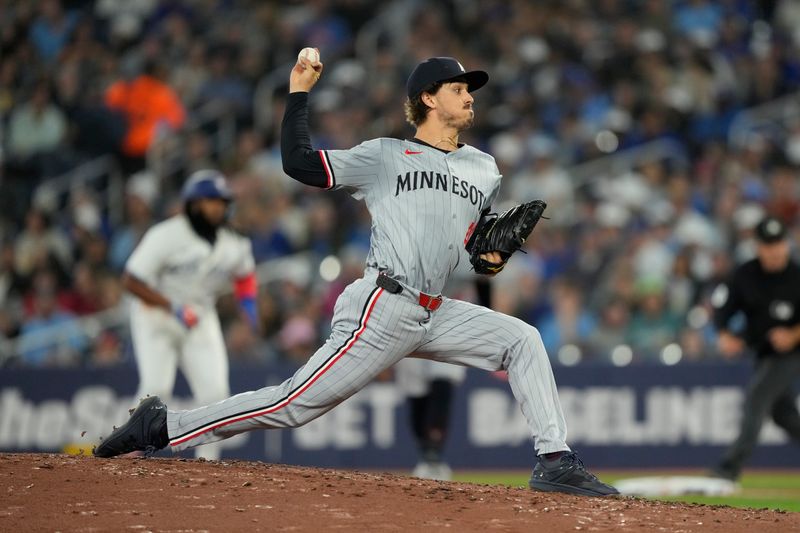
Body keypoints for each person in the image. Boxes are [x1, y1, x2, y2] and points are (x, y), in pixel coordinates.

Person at [94, 53, 617, 497]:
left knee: (523, 339)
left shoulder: (485, 169)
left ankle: (554, 460)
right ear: (429, 99)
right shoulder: (385, 156)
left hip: (437, 309)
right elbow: (299, 163)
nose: (469, 97)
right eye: (458, 88)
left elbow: (474, 255)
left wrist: (492, 260)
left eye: (469, 90)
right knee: (292, 405)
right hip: (383, 305)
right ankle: (161, 426)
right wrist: (298, 91)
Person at [120, 169, 258, 460]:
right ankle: (127, 452)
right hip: (155, 314)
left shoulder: (234, 241)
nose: (219, 206)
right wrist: (171, 306)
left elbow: (244, 275)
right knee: (156, 389)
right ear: (194, 204)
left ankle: (208, 462)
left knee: (216, 392)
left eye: (222, 201)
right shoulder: (166, 235)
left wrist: (248, 305)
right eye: (212, 200)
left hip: (200, 316)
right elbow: (131, 280)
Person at [710, 215, 800, 481]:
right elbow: (723, 308)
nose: (773, 250)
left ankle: (728, 468)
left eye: (778, 243)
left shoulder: (797, 276)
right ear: (758, 246)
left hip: (792, 353)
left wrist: (794, 334)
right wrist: (725, 334)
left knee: (757, 397)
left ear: (787, 244)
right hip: (762, 353)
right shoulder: (744, 274)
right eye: (767, 244)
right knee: (784, 416)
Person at [395, 277, 491, 481]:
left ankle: (434, 455)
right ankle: (427, 455)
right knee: (416, 393)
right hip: (409, 315)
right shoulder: (406, 248)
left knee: (443, 383)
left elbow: (483, 277)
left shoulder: (465, 249)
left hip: (451, 317)